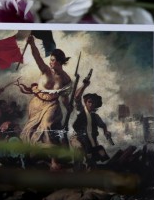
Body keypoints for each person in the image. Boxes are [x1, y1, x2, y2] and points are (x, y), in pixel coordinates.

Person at [19, 34, 72, 169]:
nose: (50, 62)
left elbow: (65, 98)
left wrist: (68, 107)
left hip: (52, 105)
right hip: (36, 104)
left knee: (46, 127)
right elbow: (37, 57)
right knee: (29, 132)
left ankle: (54, 161)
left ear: (60, 62)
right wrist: (32, 44)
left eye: (53, 60)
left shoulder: (66, 80)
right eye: (51, 60)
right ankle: (37, 158)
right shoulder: (46, 71)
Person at [70, 78, 112, 170]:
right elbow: (77, 97)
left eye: (93, 103)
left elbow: (103, 125)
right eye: (89, 102)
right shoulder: (80, 111)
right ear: (86, 102)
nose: (91, 104)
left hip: (91, 140)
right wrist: (84, 85)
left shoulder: (95, 116)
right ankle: (77, 170)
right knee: (79, 149)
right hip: (77, 138)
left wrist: (106, 132)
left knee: (92, 159)